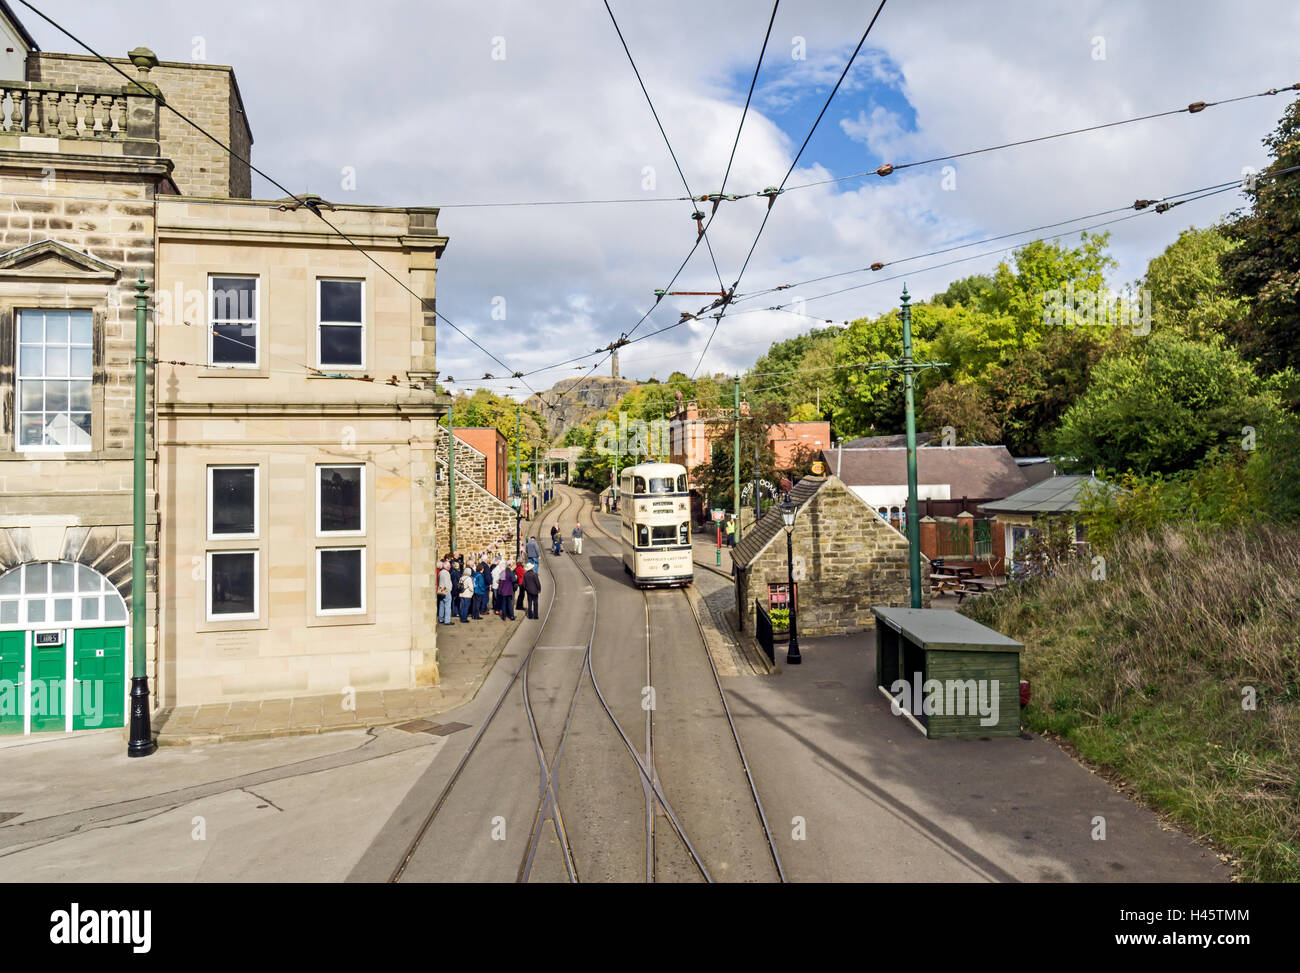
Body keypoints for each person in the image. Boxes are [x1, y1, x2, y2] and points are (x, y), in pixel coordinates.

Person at [437, 559, 452, 625]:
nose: (450, 567)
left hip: (440, 589)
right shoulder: (446, 573)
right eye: (449, 566)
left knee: (441, 605)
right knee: (447, 606)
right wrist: (449, 590)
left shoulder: (440, 572)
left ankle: (441, 619)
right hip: (445, 590)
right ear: (447, 566)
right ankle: (447, 620)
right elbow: (447, 583)